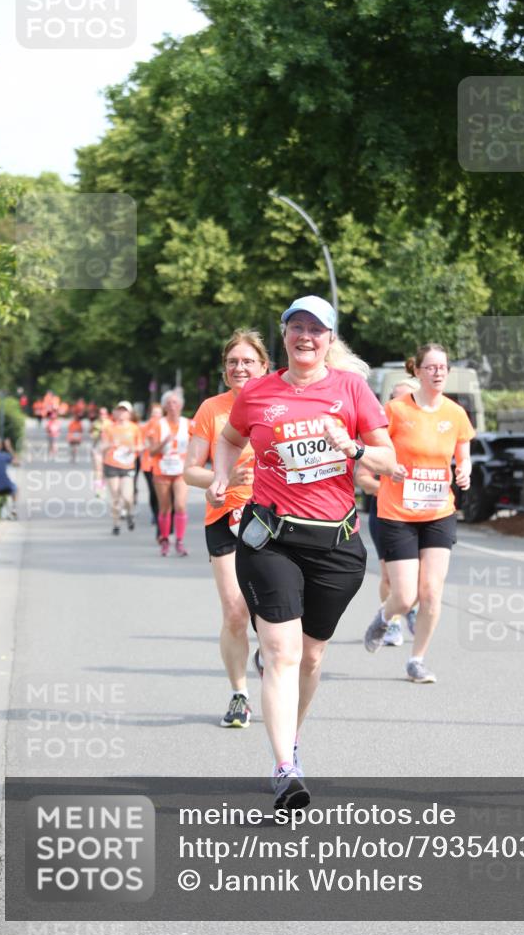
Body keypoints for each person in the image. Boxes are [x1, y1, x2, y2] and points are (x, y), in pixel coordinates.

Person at [207, 296, 395, 809]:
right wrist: (222, 473)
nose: (306, 336)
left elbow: (389, 460)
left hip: (335, 544)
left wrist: (353, 447)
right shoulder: (258, 393)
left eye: (316, 329)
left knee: (311, 656)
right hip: (271, 540)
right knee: (282, 653)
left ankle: (290, 740)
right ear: (285, 335)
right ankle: (285, 769)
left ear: (330, 339)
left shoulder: (351, 389)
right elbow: (229, 439)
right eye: (297, 327)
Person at [363, 344, 474, 682]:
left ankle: (417, 659)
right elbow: (371, 454)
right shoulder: (395, 410)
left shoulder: (456, 413)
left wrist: (464, 471)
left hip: (439, 511)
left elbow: (463, 456)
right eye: (431, 367)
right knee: (405, 595)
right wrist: (389, 467)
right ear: (417, 371)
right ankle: (385, 617)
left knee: (431, 592)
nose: (438, 372)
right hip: (398, 513)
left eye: (443, 367)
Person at [184, 329, 270, 729]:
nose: (240, 368)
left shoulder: (277, 405)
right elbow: (191, 471)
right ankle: (240, 695)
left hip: (274, 517)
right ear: (224, 370)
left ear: (264, 366)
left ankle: (269, 649)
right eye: (233, 362)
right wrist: (222, 480)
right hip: (226, 517)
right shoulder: (211, 409)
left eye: (248, 361)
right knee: (235, 611)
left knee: (269, 611)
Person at [358, 379, 420, 647]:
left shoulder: (426, 438)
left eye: (406, 398)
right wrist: (388, 488)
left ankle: (408, 607)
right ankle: (392, 622)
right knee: (388, 576)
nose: (399, 403)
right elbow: (363, 478)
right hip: (387, 513)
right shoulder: (380, 437)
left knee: (420, 579)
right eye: (395, 397)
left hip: (423, 515)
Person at [148, 390, 191, 557]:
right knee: (165, 507)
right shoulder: (158, 425)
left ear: (181, 405)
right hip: (162, 470)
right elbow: (152, 451)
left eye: (175, 402)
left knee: (180, 505)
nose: (172, 406)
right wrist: (164, 442)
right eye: (169, 403)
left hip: (181, 471)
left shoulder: (188, 424)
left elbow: (196, 446)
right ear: (164, 406)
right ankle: (165, 539)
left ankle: (179, 541)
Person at [99, 401, 141, 535]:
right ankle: (116, 523)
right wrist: (111, 444)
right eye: (120, 410)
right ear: (116, 413)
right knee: (115, 496)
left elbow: (141, 446)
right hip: (111, 464)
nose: (122, 413)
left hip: (128, 465)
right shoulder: (109, 428)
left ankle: (129, 513)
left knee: (127, 497)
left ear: (129, 413)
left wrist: (133, 449)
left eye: (125, 411)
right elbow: (102, 447)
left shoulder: (135, 428)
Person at [140, 403, 163, 537]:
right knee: (153, 491)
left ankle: (163, 514)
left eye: (158, 413)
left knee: (163, 492)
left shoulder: (165, 426)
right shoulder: (145, 427)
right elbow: (142, 443)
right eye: (154, 413)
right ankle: (155, 513)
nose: (156, 416)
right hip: (148, 464)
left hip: (162, 465)